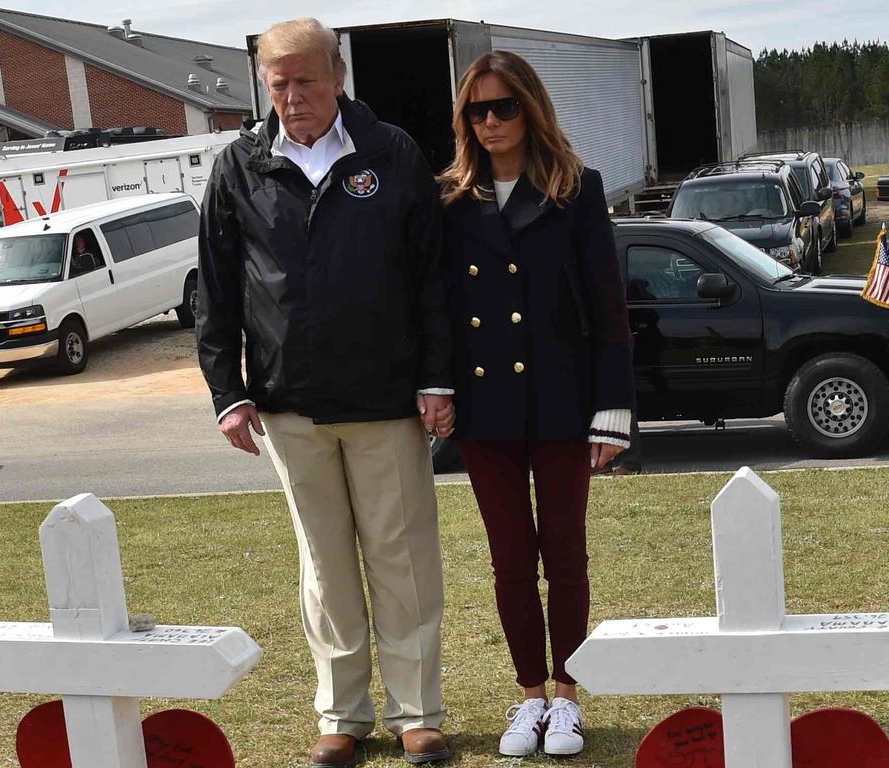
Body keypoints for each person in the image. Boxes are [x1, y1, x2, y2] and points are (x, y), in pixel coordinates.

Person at [196, 18, 454, 768]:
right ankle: (342, 715)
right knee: (324, 565)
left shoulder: (391, 153)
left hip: (386, 402)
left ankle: (418, 715)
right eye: (277, 83)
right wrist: (227, 391)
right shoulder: (238, 165)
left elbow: (429, 275)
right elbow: (214, 290)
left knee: (401, 559)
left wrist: (436, 377)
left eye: (305, 80)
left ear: (336, 75)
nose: (291, 97)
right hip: (288, 405)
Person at [438, 51, 635, 758]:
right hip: (484, 409)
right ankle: (529, 698)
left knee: (567, 556)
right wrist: (434, 385)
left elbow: (608, 307)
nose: (489, 122)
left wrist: (612, 407)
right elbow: (437, 307)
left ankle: (569, 698)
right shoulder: (451, 198)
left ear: (531, 108)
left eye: (503, 107)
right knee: (510, 560)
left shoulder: (575, 189)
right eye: (476, 111)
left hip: (560, 399)